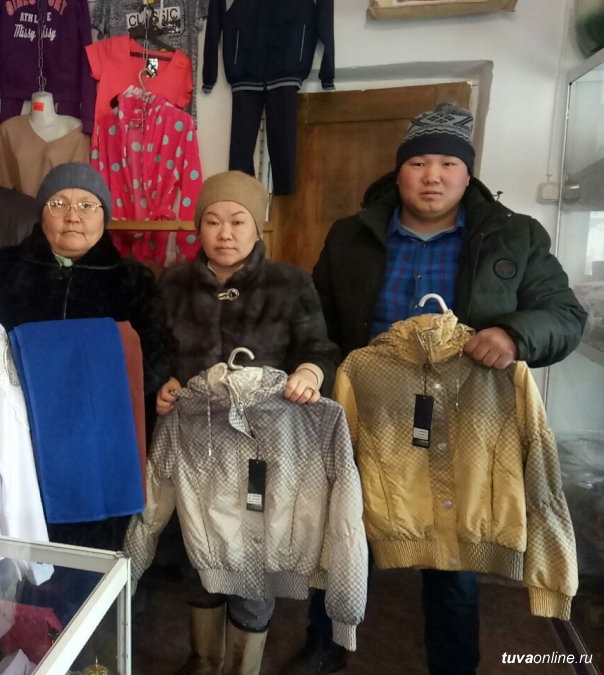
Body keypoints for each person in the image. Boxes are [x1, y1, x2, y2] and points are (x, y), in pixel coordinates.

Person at [287, 101, 588, 675]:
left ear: (467, 174)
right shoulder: (351, 235)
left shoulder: (513, 236)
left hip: (464, 417)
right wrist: (312, 371)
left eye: (448, 164)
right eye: (419, 163)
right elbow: (315, 318)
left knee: (453, 548)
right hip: (368, 409)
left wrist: (514, 334)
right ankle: (325, 641)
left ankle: (453, 662)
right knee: (342, 527)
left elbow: (567, 316)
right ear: (398, 171)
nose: (433, 176)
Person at [154, 171, 340, 674]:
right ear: (198, 227)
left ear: (258, 227)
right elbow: (158, 352)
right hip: (196, 446)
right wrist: (164, 382)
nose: (225, 233)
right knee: (199, 550)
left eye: (238, 221)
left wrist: (310, 372)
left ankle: (242, 666)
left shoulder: (290, 284)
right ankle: (203, 660)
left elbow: (321, 349)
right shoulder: (172, 283)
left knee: (254, 557)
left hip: (265, 449)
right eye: (212, 221)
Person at [0, 162, 173, 552]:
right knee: (21, 547)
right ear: (41, 213)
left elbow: (157, 355)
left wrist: (89, 390)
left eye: (87, 205)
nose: (73, 216)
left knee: (92, 558)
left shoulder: (132, 280)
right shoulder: (2, 270)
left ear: (104, 217)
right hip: (18, 435)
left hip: (100, 440)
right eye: (58, 203)